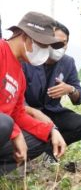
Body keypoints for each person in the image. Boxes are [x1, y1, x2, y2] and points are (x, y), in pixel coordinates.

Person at [0, 11, 66, 175]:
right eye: (42, 45)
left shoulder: (20, 75)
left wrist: (51, 130)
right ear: (25, 36)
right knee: (4, 124)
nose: (44, 52)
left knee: (42, 138)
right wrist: (15, 134)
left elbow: (18, 113)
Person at [22, 21, 81, 163]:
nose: (60, 46)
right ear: (46, 41)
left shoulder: (68, 62)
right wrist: (33, 114)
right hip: (29, 112)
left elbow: (79, 96)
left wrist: (70, 89)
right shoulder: (28, 60)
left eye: (64, 43)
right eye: (55, 41)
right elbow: (18, 99)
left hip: (53, 111)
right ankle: (28, 151)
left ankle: (49, 151)